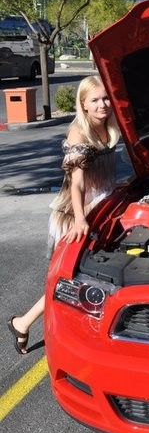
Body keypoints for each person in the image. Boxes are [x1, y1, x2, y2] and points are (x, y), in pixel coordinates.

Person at [8, 75, 120, 354]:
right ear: (83, 104)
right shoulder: (78, 134)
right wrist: (81, 219)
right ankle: (23, 323)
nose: (102, 104)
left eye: (105, 98)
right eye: (95, 100)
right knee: (66, 279)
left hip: (101, 209)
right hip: (75, 213)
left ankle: (28, 323)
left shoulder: (111, 128)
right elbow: (78, 182)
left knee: (86, 276)